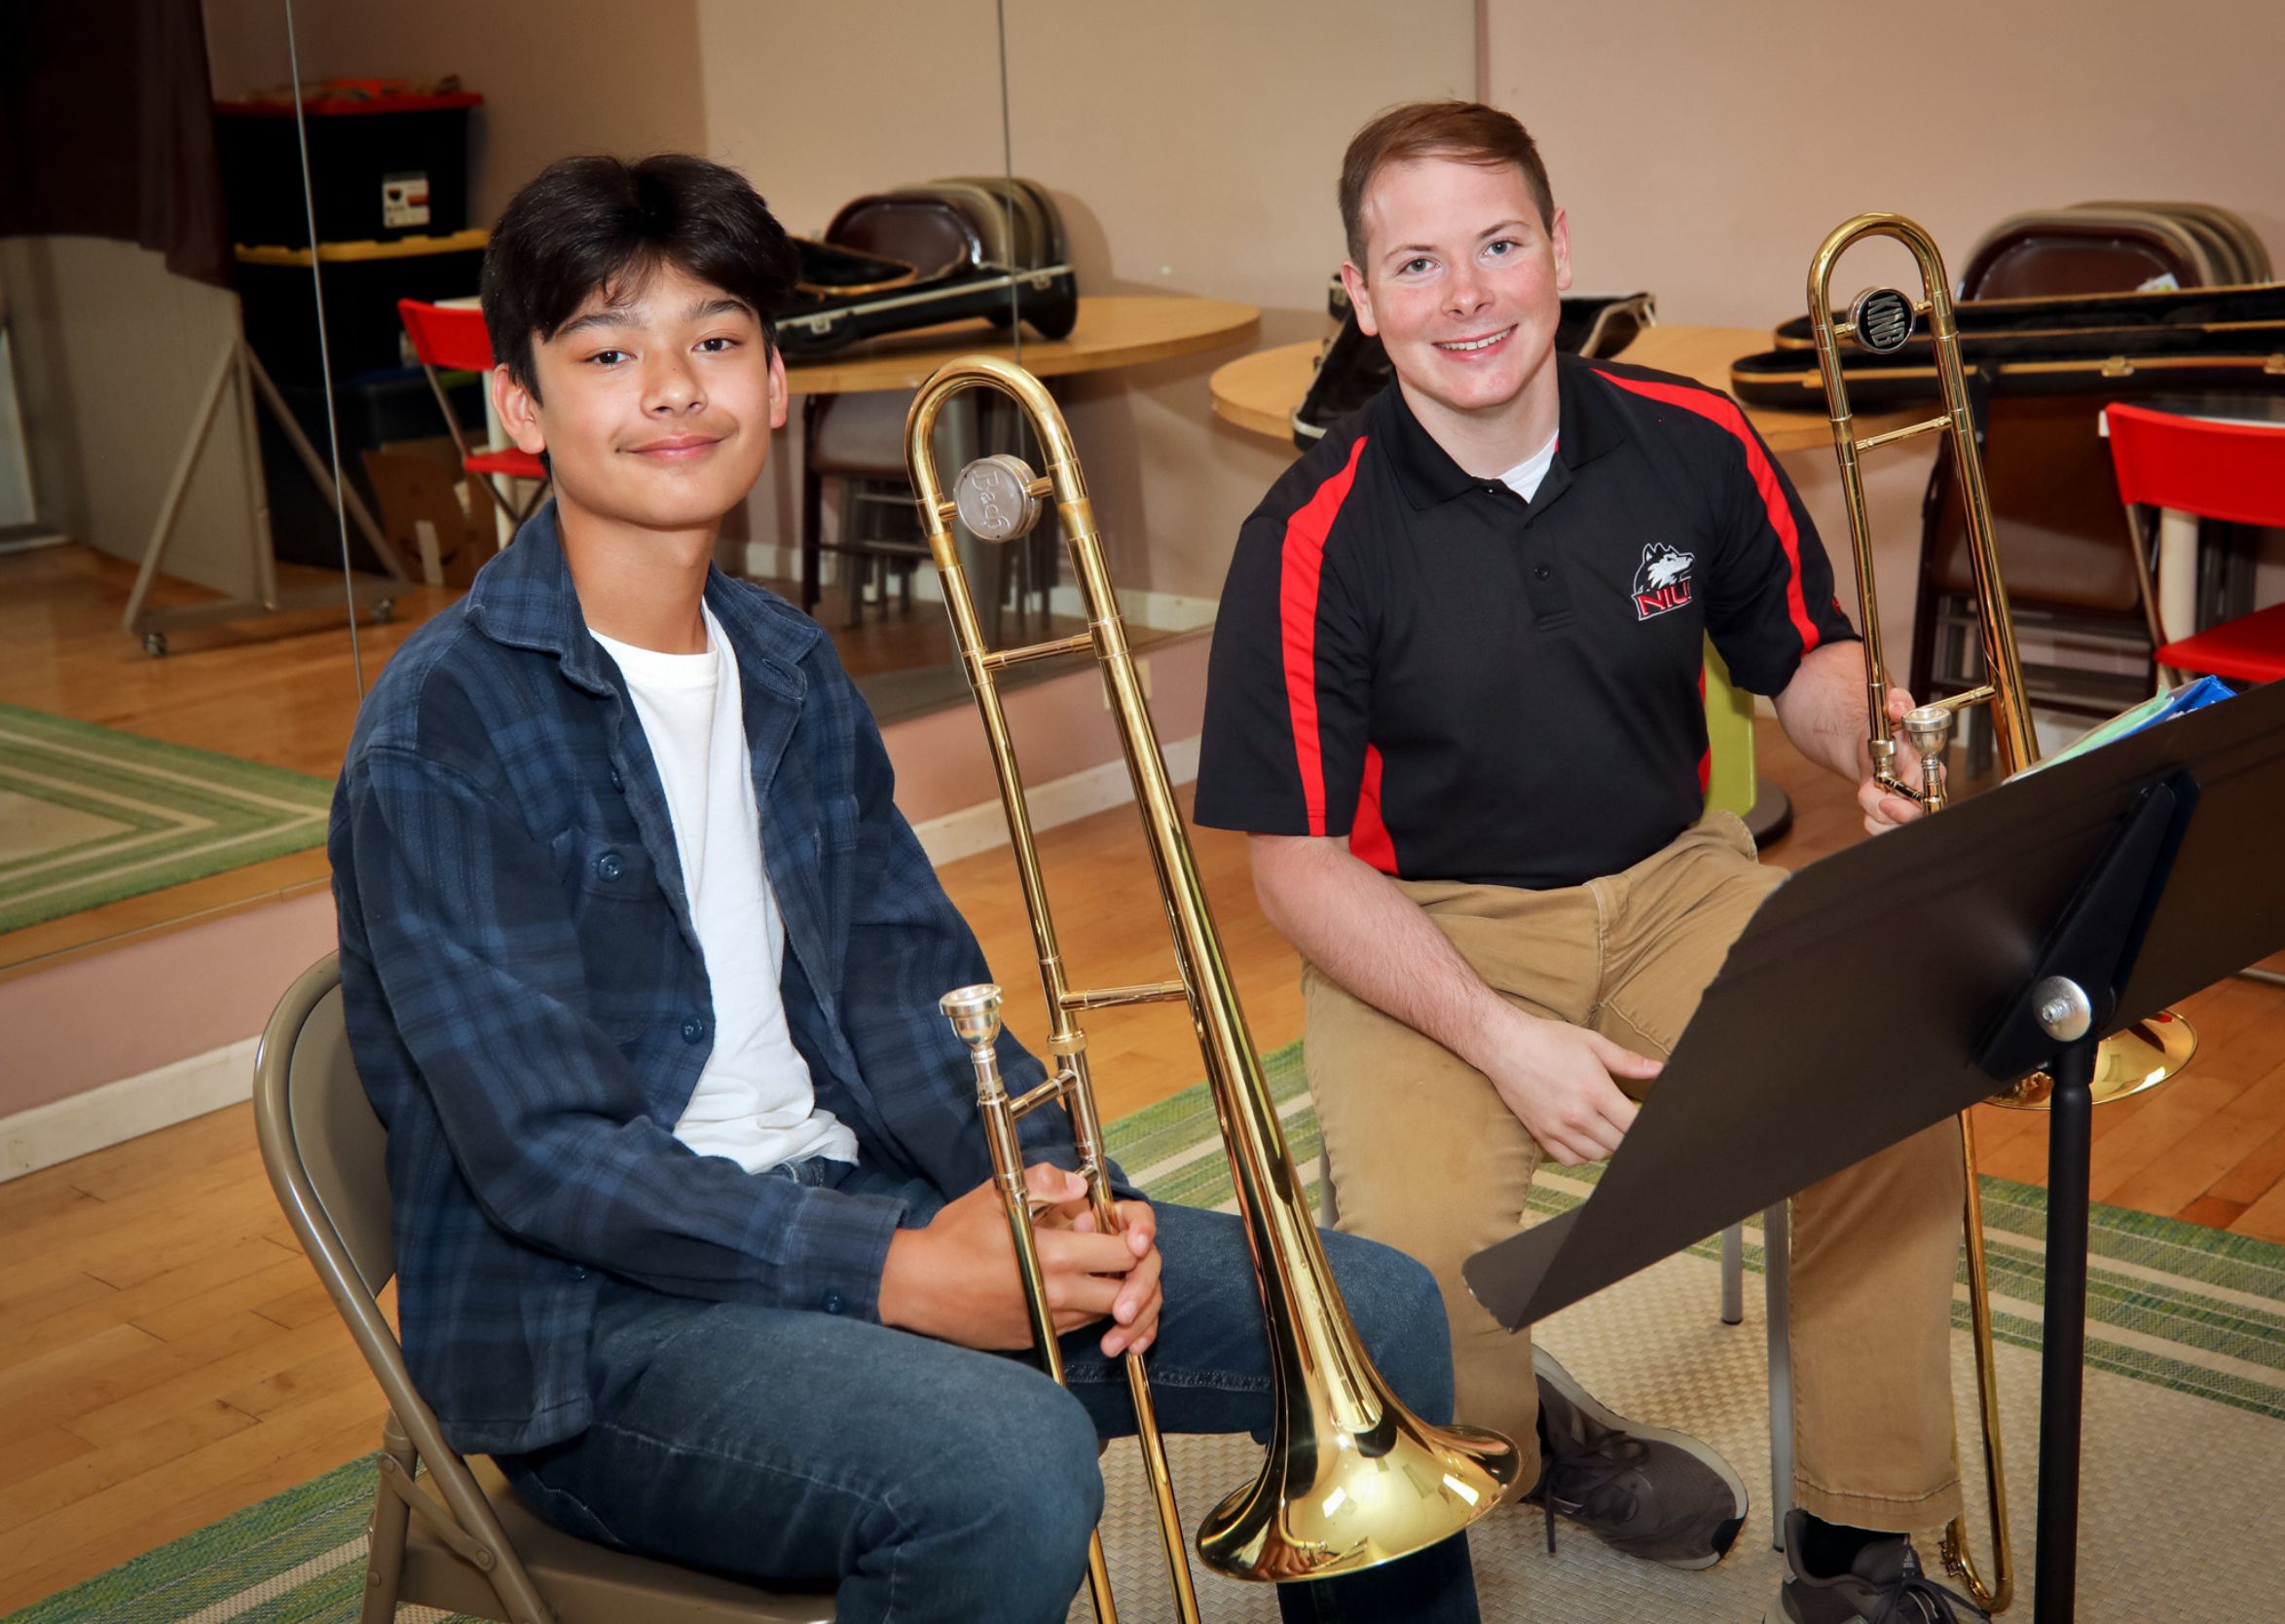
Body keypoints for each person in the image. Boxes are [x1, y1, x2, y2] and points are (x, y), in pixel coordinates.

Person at [327, 152, 1481, 1624]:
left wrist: (1057, 1190)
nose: (675, 388)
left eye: (718, 342)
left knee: (1373, 1313)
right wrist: (898, 1272)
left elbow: (912, 996)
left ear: (777, 382)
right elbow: (552, 1161)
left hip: (851, 1205)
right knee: (1006, 1463)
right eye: (610, 353)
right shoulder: (444, 728)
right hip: (604, 1331)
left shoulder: (789, 667)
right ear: (520, 406)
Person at [1195, 102, 1985, 1623]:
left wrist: (1862, 731)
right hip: (1421, 920)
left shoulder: (1690, 438)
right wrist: (1500, 1039)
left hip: (1674, 873)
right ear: (1360, 298)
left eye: (1498, 245)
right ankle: (1538, 1430)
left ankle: (1855, 1536)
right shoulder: (1308, 534)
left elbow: (1797, 654)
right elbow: (1292, 867)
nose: (1469, 295)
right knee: (1411, 1280)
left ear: (1560, 247)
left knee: (1891, 1084)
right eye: (1416, 264)